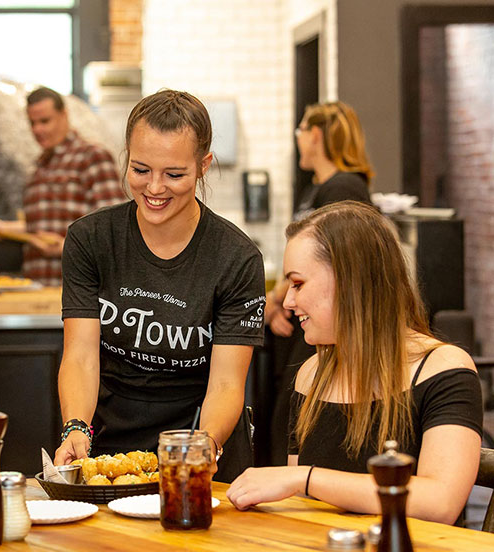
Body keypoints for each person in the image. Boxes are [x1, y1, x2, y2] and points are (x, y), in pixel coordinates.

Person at [54, 90, 266, 481]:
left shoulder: (236, 258)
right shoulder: (91, 240)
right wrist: (75, 427)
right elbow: (82, 355)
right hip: (110, 442)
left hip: (201, 441)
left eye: (174, 174)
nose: (154, 188)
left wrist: (201, 448)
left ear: (204, 166)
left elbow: (225, 382)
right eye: (140, 169)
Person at [227, 201, 482, 524]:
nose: (289, 302)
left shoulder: (444, 369)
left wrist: (304, 478)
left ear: (350, 281)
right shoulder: (311, 374)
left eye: (298, 283)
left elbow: (440, 501)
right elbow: (305, 512)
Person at [263, 100, 375, 465]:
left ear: (314, 135)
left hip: (330, 321)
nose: (298, 141)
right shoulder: (317, 188)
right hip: (306, 317)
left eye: (299, 132)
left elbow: (333, 262)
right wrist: (283, 298)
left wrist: (280, 297)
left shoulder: (344, 187)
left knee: (294, 414)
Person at [0, 87, 126, 286]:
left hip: (78, 290)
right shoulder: (38, 167)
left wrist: (65, 247)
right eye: (32, 123)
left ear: (64, 115)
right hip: (38, 289)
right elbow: (43, 228)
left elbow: (114, 227)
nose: (37, 130)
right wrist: (2, 228)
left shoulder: (92, 157)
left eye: (45, 121)